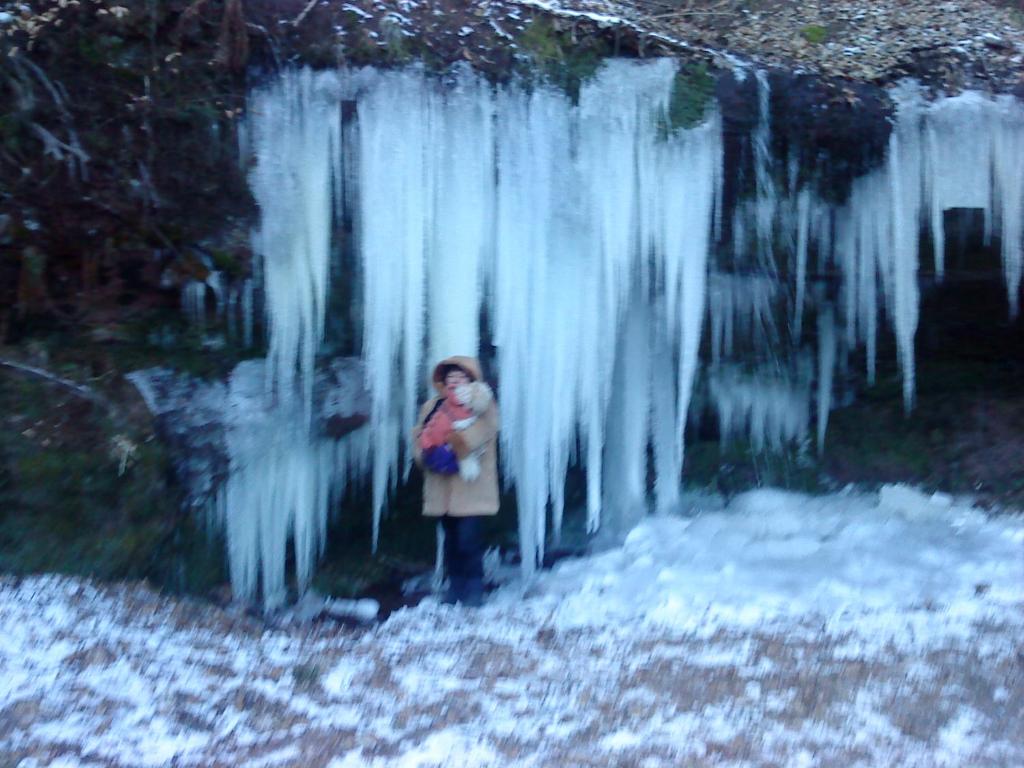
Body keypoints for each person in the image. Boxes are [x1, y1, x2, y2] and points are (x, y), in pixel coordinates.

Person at [411, 356, 499, 607]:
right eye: (450, 377)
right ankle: (455, 587)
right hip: (442, 487)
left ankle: (474, 588)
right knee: (449, 540)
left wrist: (454, 445)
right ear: (442, 381)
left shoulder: (483, 404)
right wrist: (426, 456)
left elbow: (486, 430)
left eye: (460, 377)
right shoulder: (432, 406)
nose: (455, 381)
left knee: (468, 539)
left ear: (471, 379)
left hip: (470, 486)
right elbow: (419, 436)